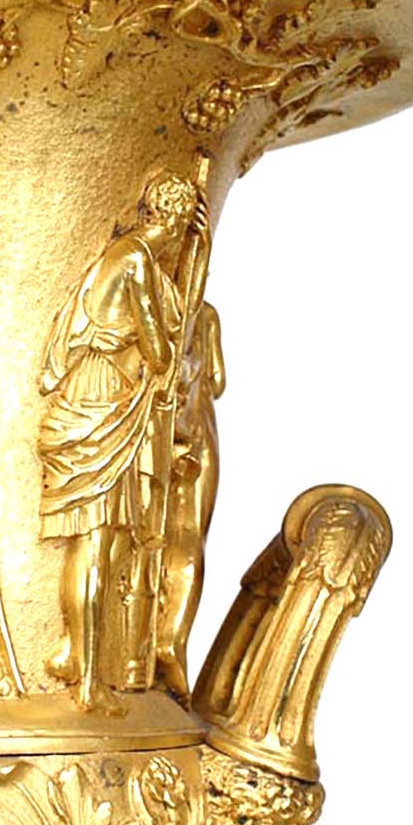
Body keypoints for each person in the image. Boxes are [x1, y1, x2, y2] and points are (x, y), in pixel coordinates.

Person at [38, 171, 209, 711]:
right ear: (175, 218)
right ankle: (88, 681)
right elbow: (159, 349)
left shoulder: (140, 259)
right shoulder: (135, 258)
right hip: (102, 401)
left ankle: (81, 653)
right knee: (94, 543)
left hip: (116, 399)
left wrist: (200, 255)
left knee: (110, 544)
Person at [157, 298, 225, 698]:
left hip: (175, 437)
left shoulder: (177, 310)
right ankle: (169, 641)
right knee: (187, 538)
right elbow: (217, 379)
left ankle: (165, 640)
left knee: (177, 539)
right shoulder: (203, 315)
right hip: (192, 438)